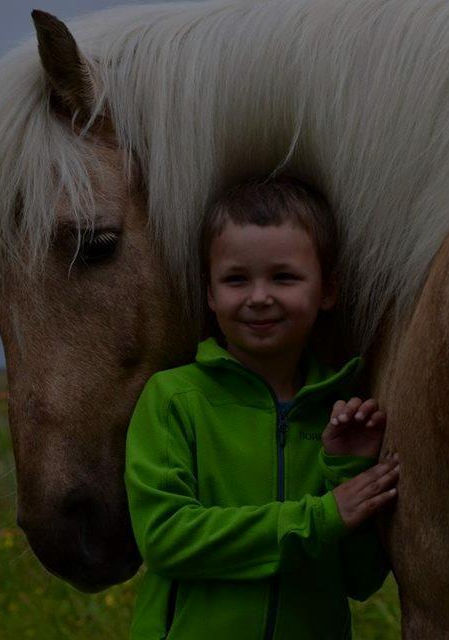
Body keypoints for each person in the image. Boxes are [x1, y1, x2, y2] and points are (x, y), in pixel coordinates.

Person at [124, 177, 400, 639]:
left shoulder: (341, 413)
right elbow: (165, 539)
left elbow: (361, 580)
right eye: (236, 279)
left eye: (284, 277)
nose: (258, 297)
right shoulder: (173, 398)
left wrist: (347, 470)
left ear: (327, 290)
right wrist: (321, 516)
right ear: (210, 294)